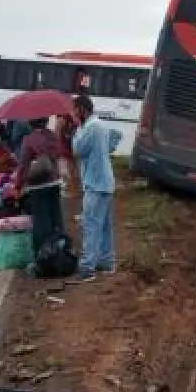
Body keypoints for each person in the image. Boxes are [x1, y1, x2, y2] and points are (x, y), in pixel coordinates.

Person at [71, 95, 117, 281]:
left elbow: (77, 150)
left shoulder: (90, 127)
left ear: (82, 109)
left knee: (91, 225)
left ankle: (87, 267)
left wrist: (76, 131)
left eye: (74, 110)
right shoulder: (99, 125)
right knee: (104, 226)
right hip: (104, 182)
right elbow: (115, 140)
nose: (73, 114)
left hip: (96, 183)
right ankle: (106, 262)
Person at [16, 117, 66, 256]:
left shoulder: (29, 139)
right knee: (56, 216)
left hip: (38, 185)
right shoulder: (53, 137)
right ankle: (60, 248)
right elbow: (59, 153)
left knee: (41, 221)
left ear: (30, 122)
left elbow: (23, 165)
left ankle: (43, 254)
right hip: (55, 181)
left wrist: (18, 185)